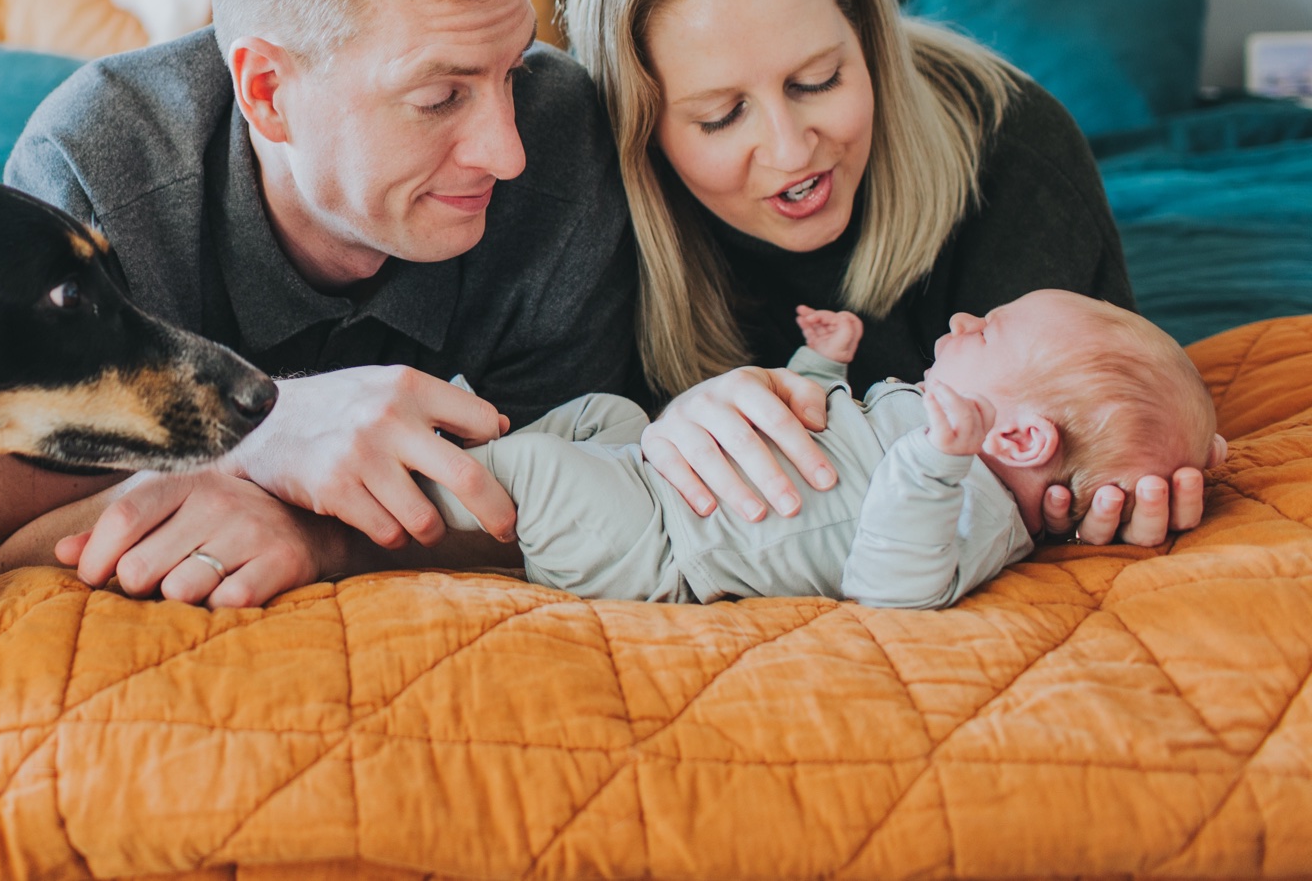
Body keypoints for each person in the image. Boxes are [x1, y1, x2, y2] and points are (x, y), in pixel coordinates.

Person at [0, 0, 641, 607]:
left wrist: (323, 535)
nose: (507, 150)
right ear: (268, 91)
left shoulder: (564, 141)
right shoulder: (94, 181)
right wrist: (258, 436)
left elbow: (596, 504)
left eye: (513, 69)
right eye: (438, 97)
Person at [559, 0, 1210, 550]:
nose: (790, 148)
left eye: (819, 79)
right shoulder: (581, 199)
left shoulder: (1019, 154)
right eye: (720, 115)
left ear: (868, 38)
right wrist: (663, 432)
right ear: (640, 123)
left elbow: (1096, 416)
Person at [420, 291, 1220, 607]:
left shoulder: (968, 498)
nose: (967, 321)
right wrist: (822, 366)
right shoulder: (941, 433)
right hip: (656, 478)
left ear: (1018, 436)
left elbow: (893, 587)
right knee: (605, 410)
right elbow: (823, 433)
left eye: (992, 329)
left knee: (538, 472)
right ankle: (474, 443)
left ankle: (414, 474)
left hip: (660, 547)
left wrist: (936, 465)